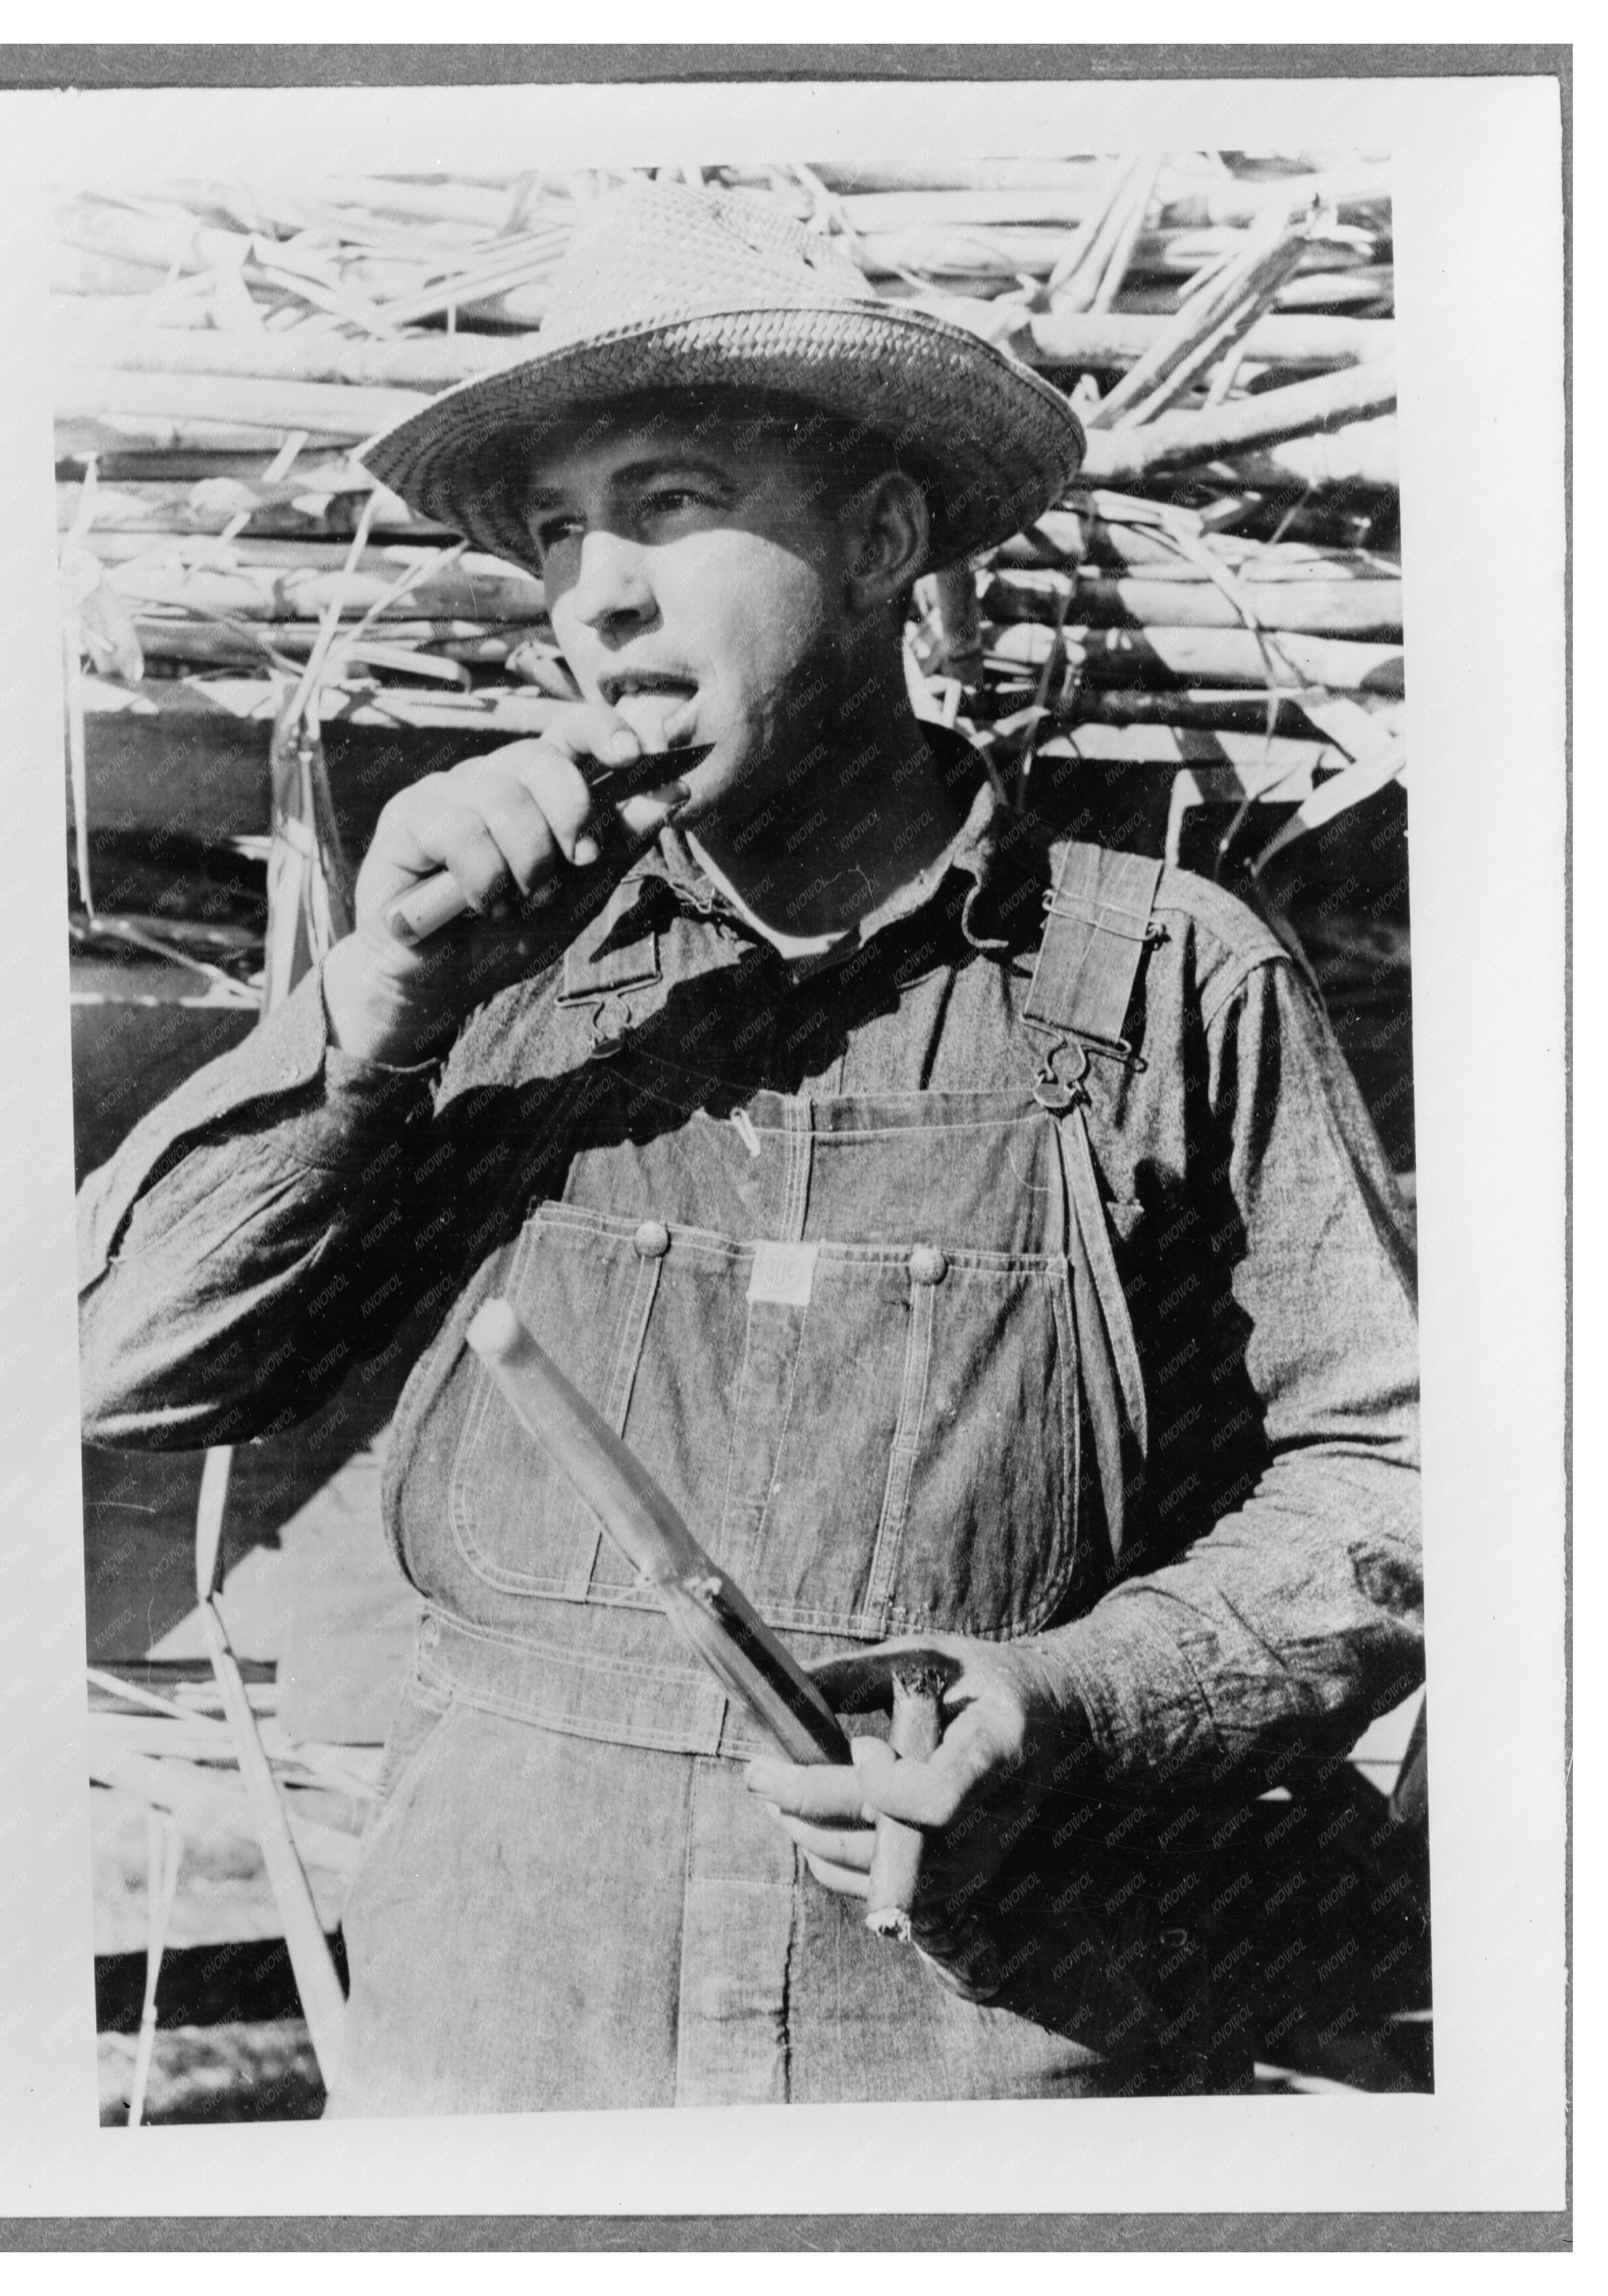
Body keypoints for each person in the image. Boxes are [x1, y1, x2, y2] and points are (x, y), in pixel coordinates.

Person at [77, 181, 1422, 2111]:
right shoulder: (490, 985)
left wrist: (1071, 1701)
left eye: (671, 498)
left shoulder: (1159, 978)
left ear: (881, 541)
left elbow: (1391, 1483)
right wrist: (365, 1021)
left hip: (985, 2057)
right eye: (557, 530)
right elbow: (127, 1377)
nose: (597, 589)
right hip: (506, 2049)